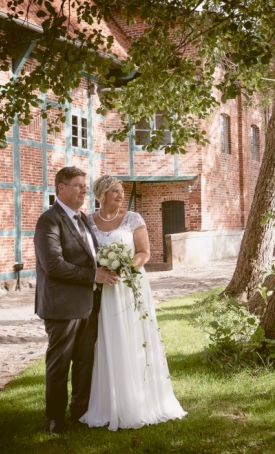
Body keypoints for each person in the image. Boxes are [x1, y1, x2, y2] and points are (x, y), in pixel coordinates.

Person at [80, 175, 187, 430]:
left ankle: (140, 400)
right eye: (115, 191)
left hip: (130, 285)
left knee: (133, 336)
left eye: (121, 191)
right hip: (103, 289)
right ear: (102, 195)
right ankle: (109, 402)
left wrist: (126, 266)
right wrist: (102, 269)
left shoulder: (133, 219)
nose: (120, 195)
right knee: (108, 339)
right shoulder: (88, 221)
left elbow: (144, 252)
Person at [34, 166, 116, 435]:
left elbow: (90, 255)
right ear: (61, 188)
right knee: (60, 363)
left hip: (89, 303)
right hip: (62, 306)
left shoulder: (82, 219)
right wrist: (95, 275)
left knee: (84, 361)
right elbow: (53, 265)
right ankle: (55, 418)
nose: (84, 190)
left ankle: (80, 411)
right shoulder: (49, 220)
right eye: (78, 185)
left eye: (84, 186)